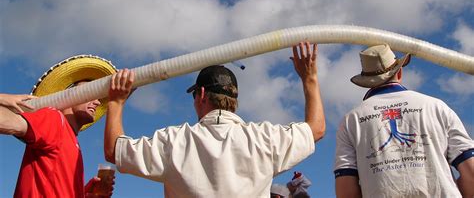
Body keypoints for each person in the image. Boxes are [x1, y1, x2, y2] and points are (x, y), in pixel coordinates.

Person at [104, 42, 325, 197]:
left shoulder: (173, 142)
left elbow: (115, 151)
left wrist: (116, 103)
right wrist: (309, 78)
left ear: (200, 95)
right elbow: (316, 129)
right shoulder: (265, 139)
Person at [334, 44, 474, 198]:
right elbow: (471, 172)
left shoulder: (351, 120)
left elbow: (346, 188)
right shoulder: (436, 107)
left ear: (367, 81)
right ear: (399, 72)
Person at [0, 55, 117, 198]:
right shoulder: (54, 119)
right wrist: (3, 98)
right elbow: (6, 122)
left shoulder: (73, 142)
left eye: (98, 98)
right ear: (70, 95)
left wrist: (84, 195)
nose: (97, 102)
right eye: (91, 92)